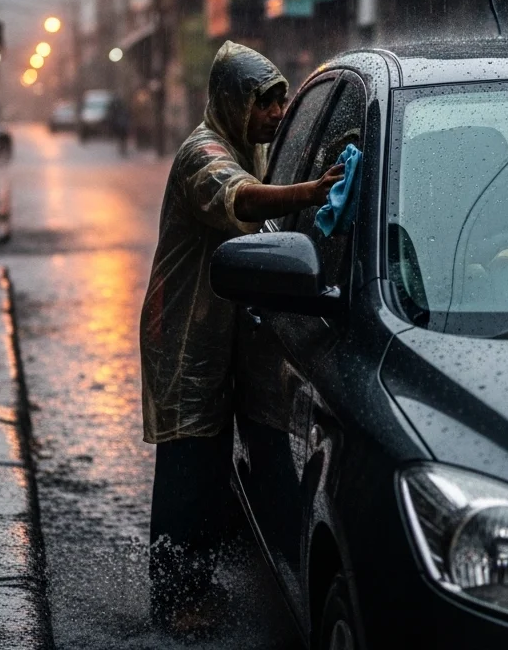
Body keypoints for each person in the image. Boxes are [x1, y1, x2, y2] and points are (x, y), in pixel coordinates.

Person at [139, 41, 342, 635]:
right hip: (183, 338)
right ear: (233, 102)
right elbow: (242, 199)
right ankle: (173, 603)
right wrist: (310, 191)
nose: (277, 114)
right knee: (186, 470)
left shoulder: (246, 144)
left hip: (219, 332)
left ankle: (196, 586)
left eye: (282, 101)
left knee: (209, 468)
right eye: (265, 104)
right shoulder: (203, 154)